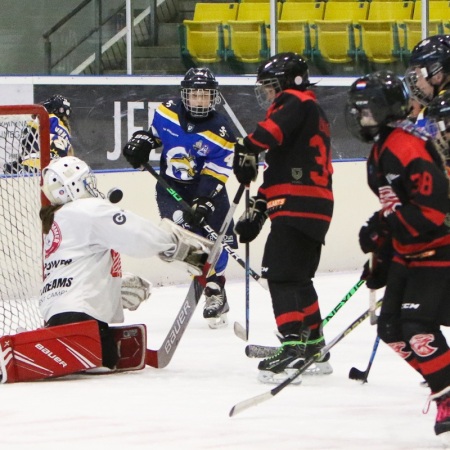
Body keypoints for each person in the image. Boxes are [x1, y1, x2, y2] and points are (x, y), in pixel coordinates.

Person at [0, 156, 214, 383]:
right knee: (100, 371)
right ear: (73, 185)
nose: (91, 185)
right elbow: (137, 234)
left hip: (61, 318)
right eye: (85, 180)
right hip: (80, 319)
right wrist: (174, 245)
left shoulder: (59, 219)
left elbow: (76, 270)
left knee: (106, 361)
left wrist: (112, 289)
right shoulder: (87, 209)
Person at [346, 70, 450, 440]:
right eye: (358, 111)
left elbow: (433, 207)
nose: (361, 118)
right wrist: (383, 254)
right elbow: (397, 207)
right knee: (391, 328)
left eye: (368, 111)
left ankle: (447, 392)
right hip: (411, 253)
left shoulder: (404, 146)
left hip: (438, 249)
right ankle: (444, 387)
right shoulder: (381, 149)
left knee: (417, 326)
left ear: (386, 110)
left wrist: (386, 229)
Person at [232, 52, 334, 384]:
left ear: (290, 82)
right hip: (314, 207)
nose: (268, 94)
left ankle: (292, 346)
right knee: (299, 278)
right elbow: (277, 172)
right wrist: (260, 210)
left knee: (281, 276)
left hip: (297, 203)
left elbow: (266, 135)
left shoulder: (296, 101)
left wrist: (245, 148)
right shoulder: (311, 113)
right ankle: (315, 346)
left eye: (270, 87)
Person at [122, 67, 237, 329]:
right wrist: (141, 143)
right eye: (195, 94)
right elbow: (153, 137)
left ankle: (214, 290)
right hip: (171, 187)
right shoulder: (166, 111)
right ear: (185, 95)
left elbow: (216, 172)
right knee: (185, 244)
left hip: (208, 191)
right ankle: (210, 284)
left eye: (205, 96)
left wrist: (204, 200)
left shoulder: (221, 132)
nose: (199, 100)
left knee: (214, 245)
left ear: (213, 98)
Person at [4, 94, 74, 174]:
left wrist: (20, 160)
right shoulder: (67, 132)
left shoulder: (47, 118)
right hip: (55, 170)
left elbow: (27, 141)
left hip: (33, 165)